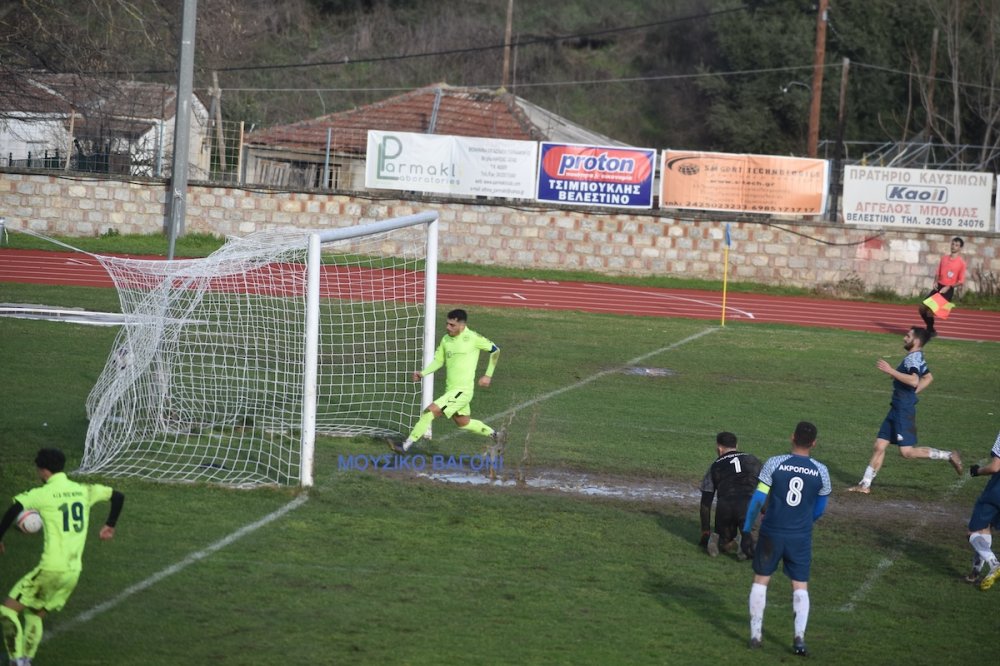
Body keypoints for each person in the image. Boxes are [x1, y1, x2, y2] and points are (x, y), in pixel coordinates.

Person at [0, 448, 125, 666]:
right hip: (72, 572)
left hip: (50, 569)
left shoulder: (43, 494)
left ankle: (16, 660)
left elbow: (14, 509)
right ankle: (25, 660)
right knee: (34, 614)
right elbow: (118, 496)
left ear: (43, 470)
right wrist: (110, 525)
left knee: (7, 611)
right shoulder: (83, 490)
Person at [743, 421, 831, 657]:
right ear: (814, 443)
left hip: (771, 532)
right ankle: (799, 639)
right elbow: (820, 508)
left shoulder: (774, 463)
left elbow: (758, 499)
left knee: (761, 580)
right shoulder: (821, 471)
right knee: (800, 586)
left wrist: (747, 529)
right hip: (800, 536)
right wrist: (805, 522)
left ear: (792, 437)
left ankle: (755, 635)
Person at [848, 326, 962, 494]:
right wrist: (911, 392)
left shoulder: (913, 359)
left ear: (916, 340)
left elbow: (914, 380)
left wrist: (892, 371)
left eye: (908, 336)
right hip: (896, 408)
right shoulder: (917, 356)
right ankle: (865, 485)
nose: (904, 338)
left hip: (903, 410)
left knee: (907, 452)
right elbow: (928, 377)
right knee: (879, 446)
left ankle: (949, 455)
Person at [391, 309, 503, 453]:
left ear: (462, 325)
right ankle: (497, 435)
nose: (448, 327)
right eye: (447, 324)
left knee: (429, 412)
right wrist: (423, 373)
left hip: (462, 392)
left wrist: (488, 375)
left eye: (452, 325)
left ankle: (405, 446)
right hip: (451, 390)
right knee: (463, 423)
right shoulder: (445, 339)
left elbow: (495, 350)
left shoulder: (473, 338)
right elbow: (439, 361)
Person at [699, 431, 761, 560]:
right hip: (748, 504)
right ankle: (744, 543)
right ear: (736, 445)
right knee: (753, 547)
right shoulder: (754, 460)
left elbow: (706, 502)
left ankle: (722, 541)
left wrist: (705, 531)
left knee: (724, 545)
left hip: (725, 506)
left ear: (719, 448)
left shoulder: (714, 466)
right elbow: (766, 489)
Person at [965, 431, 1000, 590]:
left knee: (973, 532)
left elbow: (995, 467)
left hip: (997, 492)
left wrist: (977, 471)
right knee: (985, 527)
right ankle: (975, 572)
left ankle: (994, 564)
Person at [918, 236, 966, 336]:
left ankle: (930, 330)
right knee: (922, 308)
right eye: (953, 244)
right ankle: (931, 329)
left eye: (956, 245)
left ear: (960, 248)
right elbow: (938, 272)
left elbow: (961, 281)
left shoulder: (961, 263)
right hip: (938, 287)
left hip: (947, 290)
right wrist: (935, 281)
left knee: (931, 310)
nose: (953, 246)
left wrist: (949, 287)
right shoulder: (944, 258)